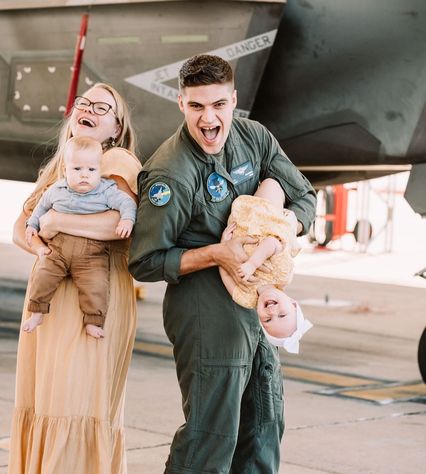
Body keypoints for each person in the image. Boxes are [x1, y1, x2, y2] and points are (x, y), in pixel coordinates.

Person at [129, 54, 316, 473]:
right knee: (210, 438)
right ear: (181, 104)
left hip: (256, 306)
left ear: (234, 100)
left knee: (264, 427)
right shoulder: (170, 174)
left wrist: (280, 231)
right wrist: (216, 253)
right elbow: (144, 262)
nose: (208, 119)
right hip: (204, 309)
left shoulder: (255, 138)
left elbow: (305, 198)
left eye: (218, 105)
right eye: (196, 106)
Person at [8, 82, 141, 474]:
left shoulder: (116, 159)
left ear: (116, 128)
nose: (90, 109)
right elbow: (20, 227)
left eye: (103, 107)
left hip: (91, 300)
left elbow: (118, 223)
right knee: (45, 402)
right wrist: (43, 248)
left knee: (74, 402)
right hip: (50, 297)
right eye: (84, 103)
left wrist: (55, 222)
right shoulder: (59, 167)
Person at [22, 136, 137, 338]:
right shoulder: (56, 190)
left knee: (97, 286)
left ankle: (93, 320)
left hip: (92, 253)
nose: (84, 175)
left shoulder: (107, 190)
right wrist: (32, 225)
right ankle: (37, 311)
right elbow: (39, 209)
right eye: (77, 169)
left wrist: (127, 220)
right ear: (65, 170)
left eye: (91, 170)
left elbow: (127, 204)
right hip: (57, 249)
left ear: (99, 171)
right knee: (42, 276)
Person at [219, 178, 313, 354]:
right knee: (271, 184)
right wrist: (252, 264)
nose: (272, 311)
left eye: (268, 320)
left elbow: (225, 276)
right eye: (282, 315)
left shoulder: (246, 299)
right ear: (293, 304)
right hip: (266, 216)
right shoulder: (283, 275)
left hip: (240, 220)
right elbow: (272, 242)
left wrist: (224, 247)